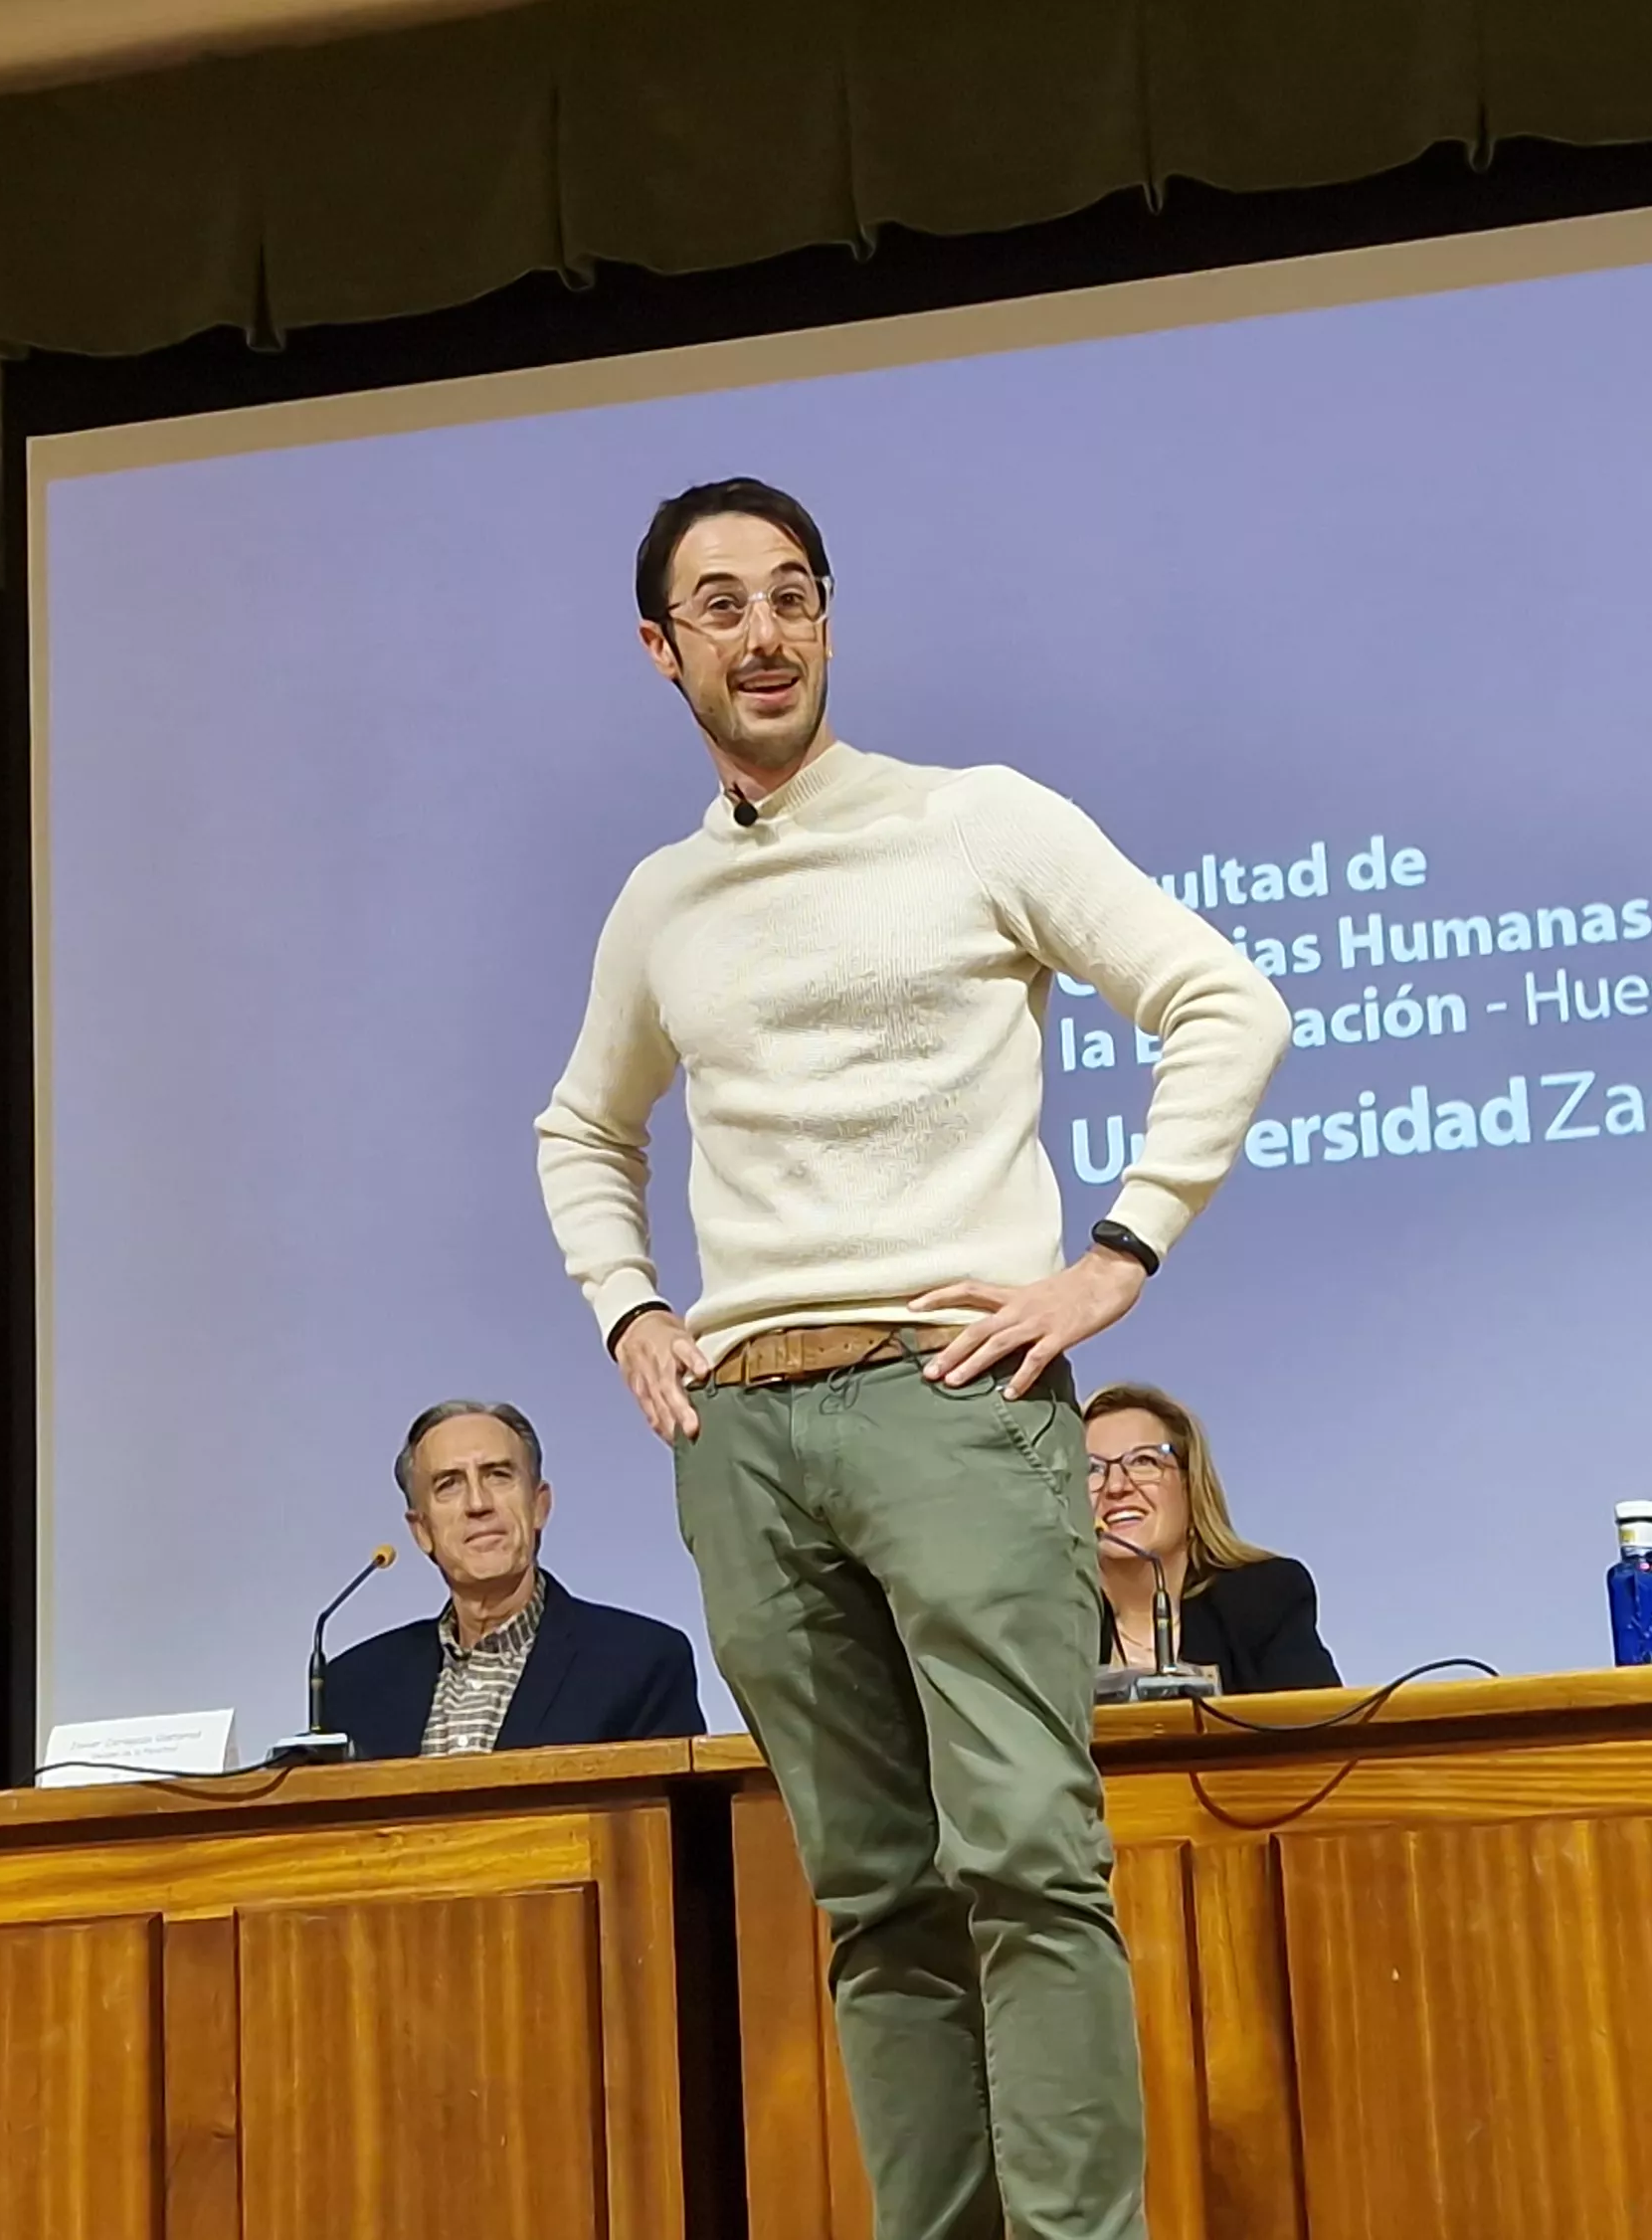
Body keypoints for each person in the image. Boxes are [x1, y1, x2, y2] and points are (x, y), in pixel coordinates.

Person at [538, 477, 1289, 2240]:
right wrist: (633, 1311)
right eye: (719, 605)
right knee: (875, 1900)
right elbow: (582, 1127)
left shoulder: (976, 821)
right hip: (748, 1436)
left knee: (1028, 1860)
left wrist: (1119, 1253)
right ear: (662, 651)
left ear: (827, 621)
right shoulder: (662, 901)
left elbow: (1224, 1001)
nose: (765, 630)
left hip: (946, 1401)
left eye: (793, 594)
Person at [320, 1399, 707, 1760]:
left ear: (539, 1506)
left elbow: (677, 1824)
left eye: (499, 1476)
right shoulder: (353, 1685)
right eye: (449, 1484)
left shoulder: (641, 1663)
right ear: (421, 1530)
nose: (478, 1504)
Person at [1081, 1383, 1340, 1694]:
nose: (1116, 1486)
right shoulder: (1044, 1627)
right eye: (1092, 1468)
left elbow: (1320, 1733)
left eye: (1143, 1461)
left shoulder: (1262, 1598)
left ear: (1191, 1486)